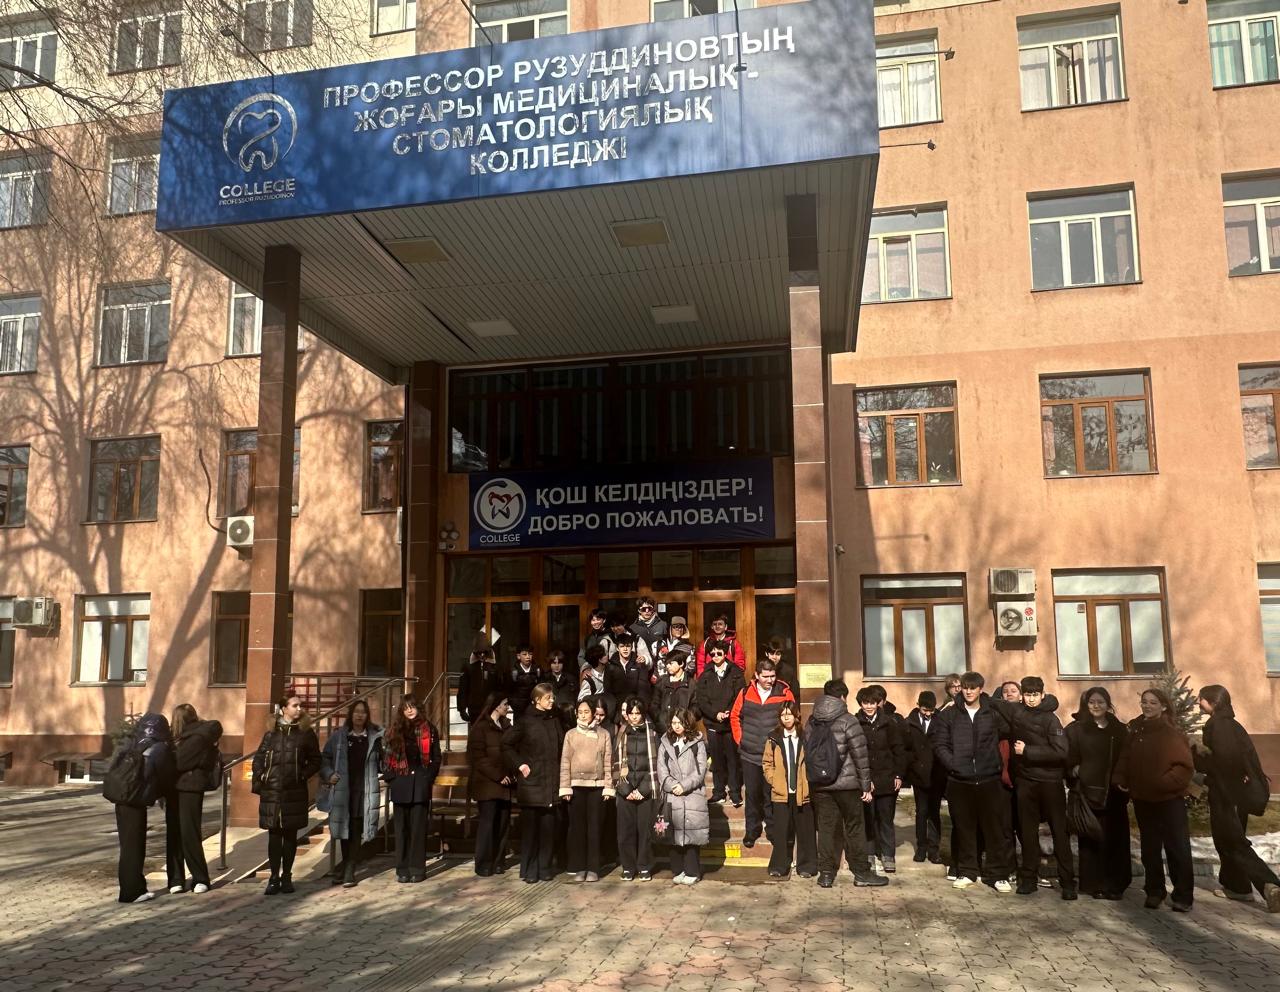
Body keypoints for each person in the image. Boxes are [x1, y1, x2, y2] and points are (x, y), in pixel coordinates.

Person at [1195, 685, 1280, 912]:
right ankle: (1238, 887)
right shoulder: (1228, 724)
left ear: (1213, 702)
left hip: (1227, 795)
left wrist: (1202, 769)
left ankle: (1271, 885)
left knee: (1233, 842)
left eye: (1201, 698)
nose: (1197, 702)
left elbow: (1226, 763)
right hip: (1231, 794)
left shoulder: (1220, 726)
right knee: (1227, 841)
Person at [933, 671, 1015, 893]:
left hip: (989, 779)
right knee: (964, 828)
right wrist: (954, 764)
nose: (968, 692)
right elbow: (939, 744)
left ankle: (998, 875)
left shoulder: (992, 712)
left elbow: (1011, 725)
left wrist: (994, 702)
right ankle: (967, 871)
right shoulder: (950, 714)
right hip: (960, 781)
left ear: (980, 689)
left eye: (973, 688)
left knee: (994, 829)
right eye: (965, 688)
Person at [1113, 688, 1195, 912]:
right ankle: (1154, 890)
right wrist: (1121, 777)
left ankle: (1183, 895)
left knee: (1177, 847)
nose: (1147, 706)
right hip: (1143, 799)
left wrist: (1163, 783)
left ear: (1163, 706)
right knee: (1150, 848)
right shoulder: (1136, 730)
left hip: (1169, 800)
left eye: (1153, 702)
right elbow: (1125, 756)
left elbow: (1184, 767)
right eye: (1144, 702)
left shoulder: (1171, 732)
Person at [808, 680, 883, 888]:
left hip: (822, 784)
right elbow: (860, 755)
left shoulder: (812, 720)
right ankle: (861, 873)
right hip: (848, 785)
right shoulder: (848, 720)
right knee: (854, 827)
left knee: (825, 829)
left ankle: (825, 874)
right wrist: (866, 786)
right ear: (842, 697)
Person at [1008, 677, 1074, 899]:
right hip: (1026, 782)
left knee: (1059, 833)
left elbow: (1061, 752)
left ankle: (1068, 883)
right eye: (1028, 694)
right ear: (1022, 695)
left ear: (1042, 695)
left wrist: (1028, 751)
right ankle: (1028, 879)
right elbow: (998, 705)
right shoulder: (1017, 713)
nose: (1031, 698)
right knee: (1027, 833)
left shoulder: (1051, 720)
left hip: (1050, 783)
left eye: (1035, 694)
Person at [1065, 686, 1131, 900]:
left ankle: (1115, 885)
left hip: (1113, 794)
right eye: (1092, 702)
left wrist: (1124, 781)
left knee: (1115, 840)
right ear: (1086, 705)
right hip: (1087, 794)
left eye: (1100, 702)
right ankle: (1093, 884)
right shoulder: (1076, 729)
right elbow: (1067, 757)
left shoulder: (1119, 730)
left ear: (1108, 704)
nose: (1096, 706)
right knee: (1091, 840)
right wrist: (1074, 770)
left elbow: (1126, 758)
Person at [252, 693, 321, 895]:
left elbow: (316, 760)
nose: (299, 709)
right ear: (284, 709)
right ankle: (273, 877)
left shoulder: (306, 733)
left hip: (294, 792)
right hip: (272, 792)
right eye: (294, 705)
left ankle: (287, 876)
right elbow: (258, 758)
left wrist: (302, 775)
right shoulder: (271, 733)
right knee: (274, 836)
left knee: (290, 836)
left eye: (300, 705)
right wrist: (262, 775)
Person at [730, 655, 795, 847]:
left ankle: (773, 830)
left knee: (771, 794)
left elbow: (792, 717)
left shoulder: (784, 692)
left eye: (772, 676)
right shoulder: (745, 692)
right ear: (757, 675)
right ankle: (752, 830)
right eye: (765, 676)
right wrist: (741, 740)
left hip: (774, 755)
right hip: (749, 754)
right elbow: (735, 716)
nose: (770, 680)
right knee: (752, 794)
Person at [319, 699, 383, 887]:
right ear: (351, 714)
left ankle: (349, 869)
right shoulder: (339, 737)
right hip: (343, 790)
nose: (359, 715)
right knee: (344, 829)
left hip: (363, 790)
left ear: (367, 715)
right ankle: (346, 865)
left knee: (356, 830)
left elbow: (383, 761)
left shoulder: (374, 737)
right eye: (356, 711)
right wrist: (329, 774)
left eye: (363, 712)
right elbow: (325, 758)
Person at [503, 683, 563, 884]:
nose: (552, 701)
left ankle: (545, 868)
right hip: (532, 784)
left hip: (551, 783)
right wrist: (520, 764)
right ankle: (529, 869)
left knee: (548, 829)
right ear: (537, 700)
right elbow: (506, 744)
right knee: (531, 830)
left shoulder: (554, 720)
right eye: (548, 698)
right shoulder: (525, 721)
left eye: (552, 697)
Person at [111, 712, 174, 904]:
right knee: (134, 847)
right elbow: (164, 775)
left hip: (122, 798)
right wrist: (163, 795)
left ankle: (134, 888)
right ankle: (131, 892)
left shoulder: (134, 744)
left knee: (128, 846)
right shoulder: (158, 748)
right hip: (136, 800)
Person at [382, 693, 441, 883]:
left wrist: (428, 776)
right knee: (401, 831)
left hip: (420, 785)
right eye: (406, 707)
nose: (409, 710)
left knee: (418, 830)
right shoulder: (394, 730)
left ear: (418, 708)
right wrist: (391, 778)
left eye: (412, 706)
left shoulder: (429, 729)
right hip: (401, 784)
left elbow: (436, 757)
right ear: (401, 710)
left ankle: (417, 869)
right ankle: (402, 869)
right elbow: (386, 757)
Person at [165, 704, 222, 895]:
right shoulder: (190, 736)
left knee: (186, 833)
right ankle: (180, 880)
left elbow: (180, 762)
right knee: (179, 832)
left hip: (187, 787)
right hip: (179, 788)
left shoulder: (196, 737)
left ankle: (196, 878)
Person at [559, 699, 615, 881]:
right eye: (580, 712)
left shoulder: (603, 734)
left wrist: (608, 787)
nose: (583, 715)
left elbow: (608, 761)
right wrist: (565, 787)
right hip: (576, 787)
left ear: (593, 713)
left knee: (594, 828)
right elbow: (565, 762)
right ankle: (579, 867)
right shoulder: (570, 735)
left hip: (597, 787)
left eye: (587, 712)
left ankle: (593, 868)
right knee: (578, 829)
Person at [762, 700, 817, 878]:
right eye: (783, 715)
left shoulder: (805, 736)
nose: (786, 718)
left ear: (796, 715)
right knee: (781, 831)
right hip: (781, 793)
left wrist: (808, 783)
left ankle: (806, 866)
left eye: (789, 714)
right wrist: (774, 781)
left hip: (802, 792)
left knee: (805, 831)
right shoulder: (773, 738)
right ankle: (780, 865)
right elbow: (767, 763)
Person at [855, 685, 905, 874]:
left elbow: (898, 750)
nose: (869, 706)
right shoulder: (856, 723)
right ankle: (869, 853)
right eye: (865, 703)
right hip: (866, 779)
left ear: (878, 703)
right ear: (860, 704)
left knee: (885, 818)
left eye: (872, 703)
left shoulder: (889, 722)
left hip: (887, 778)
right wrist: (863, 780)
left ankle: (887, 854)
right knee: (868, 818)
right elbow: (855, 753)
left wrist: (899, 774)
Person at [658, 707, 709, 884]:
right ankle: (678, 870)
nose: (676, 726)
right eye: (674, 722)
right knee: (674, 836)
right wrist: (672, 785)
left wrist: (684, 785)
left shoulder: (697, 743)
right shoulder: (665, 743)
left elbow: (700, 771)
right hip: (672, 795)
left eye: (680, 722)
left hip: (692, 795)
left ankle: (692, 871)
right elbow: (661, 770)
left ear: (688, 723)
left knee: (691, 836)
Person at [694, 639, 746, 807]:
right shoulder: (705, 673)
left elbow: (740, 695)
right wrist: (715, 714)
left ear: (725, 654)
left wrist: (729, 712)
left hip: (730, 724)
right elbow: (701, 699)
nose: (715, 656)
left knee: (732, 759)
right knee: (716, 761)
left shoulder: (736, 672)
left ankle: (735, 792)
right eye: (712, 654)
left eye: (719, 653)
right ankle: (719, 792)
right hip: (712, 723)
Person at [468, 693, 514, 877]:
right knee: (487, 824)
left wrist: (510, 773)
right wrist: (498, 775)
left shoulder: (507, 726)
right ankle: (484, 862)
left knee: (502, 823)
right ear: (496, 706)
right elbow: (479, 758)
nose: (508, 707)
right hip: (487, 784)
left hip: (505, 783)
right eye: (505, 704)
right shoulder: (480, 728)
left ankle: (498, 861)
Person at [614, 696, 660, 881]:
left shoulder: (652, 734)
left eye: (637, 713)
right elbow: (614, 764)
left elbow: (656, 766)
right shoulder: (620, 734)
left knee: (644, 831)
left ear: (643, 714)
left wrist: (642, 790)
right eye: (631, 713)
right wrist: (626, 789)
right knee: (625, 831)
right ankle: (628, 866)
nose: (634, 717)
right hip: (625, 790)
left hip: (645, 791)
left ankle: (643, 866)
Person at [904, 691, 944, 864]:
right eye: (924, 710)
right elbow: (906, 748)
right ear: (918, 706)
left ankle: (934, 849)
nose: (928, 713)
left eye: (931, 710)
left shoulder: (941, 721)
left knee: (934, 812)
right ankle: (921, 847)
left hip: (936, 773)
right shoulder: (909, 722)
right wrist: (911, 767)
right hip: (918, 774)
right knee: (921, 812)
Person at [605, 631, 653, 715]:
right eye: (622, 646)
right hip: (616, 707)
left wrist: (638, 707)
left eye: (628, 646)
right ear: (617, 648)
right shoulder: (610, 665)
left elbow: (643, 689)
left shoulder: (639, 664)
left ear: (632, 647)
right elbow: (608, 690)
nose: (625, 649)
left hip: (635, 706)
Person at [651, 648, 697, 733]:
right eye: (667, 663)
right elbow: (654, 704)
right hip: (664, 728)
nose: (668, 666)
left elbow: (696, 706)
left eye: (671, 663)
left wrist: (686, 719)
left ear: (681, 664)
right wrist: (659, 718)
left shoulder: (691, 684)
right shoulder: (662, 682)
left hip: (684, 729)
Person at [457, 647, 506, 724]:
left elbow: (501, 688)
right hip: (474, 708)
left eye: (485, 652)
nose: (482, 655)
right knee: (476, 729)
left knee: (492, 730)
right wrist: (462, 709)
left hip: (492, 708)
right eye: (479, 653)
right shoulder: (468, 666)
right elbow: (463, 689)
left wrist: (500, 704)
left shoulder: (496, 666)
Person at [629, 595, 669, 668]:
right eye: (644, 609)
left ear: (653, 609)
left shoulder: (663, 625)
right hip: (641, 665)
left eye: (649, 608)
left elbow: (667, 644)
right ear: (639, 610)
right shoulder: (633, 628)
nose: (647, 611)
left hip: (660, 665)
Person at [544, 650, 579, 727]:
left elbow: (576, 697)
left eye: (559, 663)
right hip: (551, 715)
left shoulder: (571, 678)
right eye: (554, 663)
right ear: (550, 664)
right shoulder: (545, 679)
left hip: (568, 716)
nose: (557, 666)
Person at [507, 645, 542, 720]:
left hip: (533, 704)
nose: (528, 657)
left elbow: (541, 686)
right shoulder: (513, 671)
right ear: (518, 656)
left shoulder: (537, 669)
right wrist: (513, 703)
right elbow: (509, 690)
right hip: (518, 706)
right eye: (524, 654)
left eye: (530, 654)